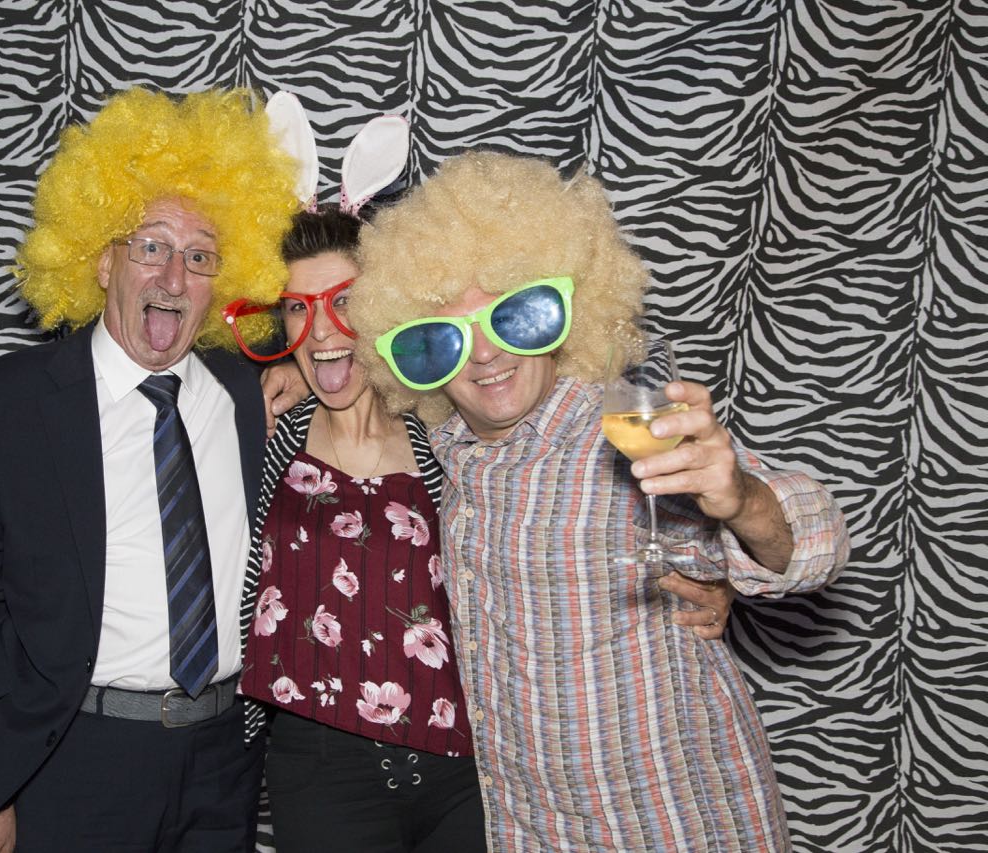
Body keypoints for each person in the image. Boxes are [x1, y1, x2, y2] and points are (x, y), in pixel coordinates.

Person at [349, 151, 852, 851]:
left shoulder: (624, 433)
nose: (484, 353)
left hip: (673, 824)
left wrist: (742, 500)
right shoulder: (448, 456)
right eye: (444, 337)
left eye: (512, 316)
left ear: (567, 313)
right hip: (530, 829)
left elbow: (814, 543)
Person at [0, 87, 298, 853]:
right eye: (150, 245)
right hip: (69, 763)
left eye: (200, 256)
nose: (173, 277)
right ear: (99, 258)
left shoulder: (250, 395)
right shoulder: (0, 408)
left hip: (224, 765)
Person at [229, 205, 487, 852]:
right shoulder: (261, 431)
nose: (320, 329)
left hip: (463, 766)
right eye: (297, 307)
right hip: (321, 771)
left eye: (344, 300)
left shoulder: (447, 433)